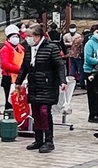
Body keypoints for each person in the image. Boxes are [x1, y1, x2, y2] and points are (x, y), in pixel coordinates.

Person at [18, 22, 64, 153]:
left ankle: (49, 141)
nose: (28, 39)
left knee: (44, 112)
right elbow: (24, 67)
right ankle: (38, 139)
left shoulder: (51, 47)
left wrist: (62, 81)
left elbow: (59, 65)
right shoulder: (29, 49)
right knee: (36, 112)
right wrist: (18, 82)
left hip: (47, 85)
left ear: (38, 36)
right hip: (34, 85)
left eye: (30, 36)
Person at [0, 30, 24, 113]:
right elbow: (5, 64)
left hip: (20, 77)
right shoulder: (5, 49)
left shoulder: (21, 48)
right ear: (8, 39)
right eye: (13, 37)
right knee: (9, 99)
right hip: (8, 77)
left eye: (17, 36)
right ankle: (8, 116)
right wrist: (19, 69)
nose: (16, 38)